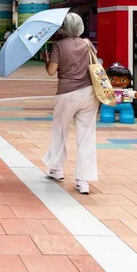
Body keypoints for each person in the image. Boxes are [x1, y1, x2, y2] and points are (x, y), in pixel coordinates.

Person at [43, 12, 99, 195]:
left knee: (60, 130)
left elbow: (51, 71)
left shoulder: (58, 46)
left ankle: (56, 169)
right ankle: (83, 181)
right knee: (87, 136)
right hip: (89, 93)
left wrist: (46, 59)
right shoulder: (87, 44)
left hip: (66, 93)